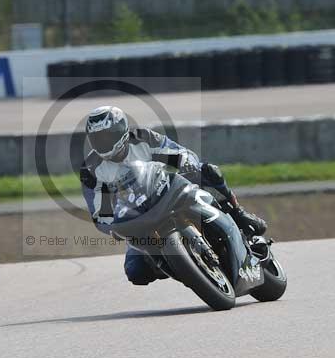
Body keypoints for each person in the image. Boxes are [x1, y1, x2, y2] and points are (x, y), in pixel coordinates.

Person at [79, 105, 267, 286]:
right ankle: (178, 266)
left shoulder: (144, 138)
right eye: (97, 138)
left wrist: (186, 161)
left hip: (168, 191)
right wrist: (112, 226)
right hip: (139, 218)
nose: (104, 142)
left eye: (108, 136)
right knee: (136, 272)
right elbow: (99, 213)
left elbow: (178, 153)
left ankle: (238, 213)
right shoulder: (91, 169)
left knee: (209, 171)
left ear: (122, 130)